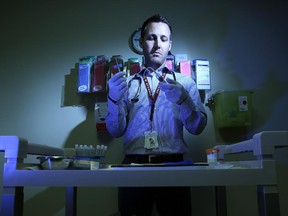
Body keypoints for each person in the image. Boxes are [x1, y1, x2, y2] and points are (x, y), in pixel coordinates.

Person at [106, 14, 207, 216]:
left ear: (170, 44)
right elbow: (116, 131)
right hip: (133, 166)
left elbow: (198, 128)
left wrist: (184, 100)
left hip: (175, 166)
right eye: (151, 38)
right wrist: (113, 99)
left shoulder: (185, 83)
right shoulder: (127, 83)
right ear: (141, 42)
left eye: (163, 38)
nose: (157, 44)